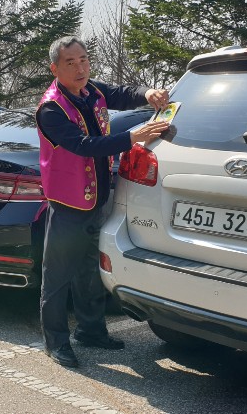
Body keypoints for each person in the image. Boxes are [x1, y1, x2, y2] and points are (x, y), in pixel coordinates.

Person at [35, 36, 170, 367]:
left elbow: (121, 93)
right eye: (71, 63)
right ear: (54, 69)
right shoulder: (51, 109)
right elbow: (83, 145)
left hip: (96, 196)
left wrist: (147, 93)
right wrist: (132, 137)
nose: (80, 68)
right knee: (57, 276)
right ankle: (55, 342)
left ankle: (91, 330)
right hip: (67, 203)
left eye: (84, 60)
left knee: (89, 270)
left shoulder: (90, 89)